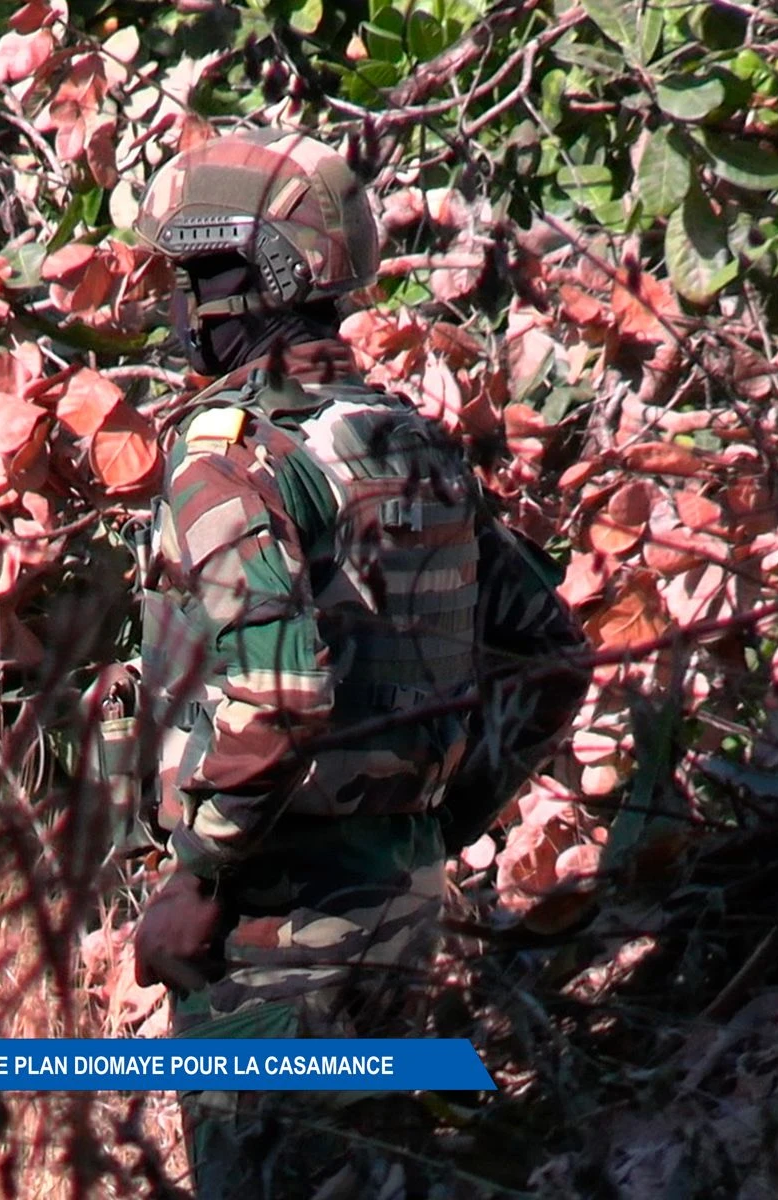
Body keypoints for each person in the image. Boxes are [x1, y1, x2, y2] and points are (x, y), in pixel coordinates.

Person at [123, 127, 586, 1200]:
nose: (182, 303)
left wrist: (198, 881)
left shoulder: (230, 459)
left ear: (261, 279)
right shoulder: (403, 437)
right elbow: (550, 651)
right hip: (398, 898)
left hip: (273, 915)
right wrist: (438, 817)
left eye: (198, 275)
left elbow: (279, 699)